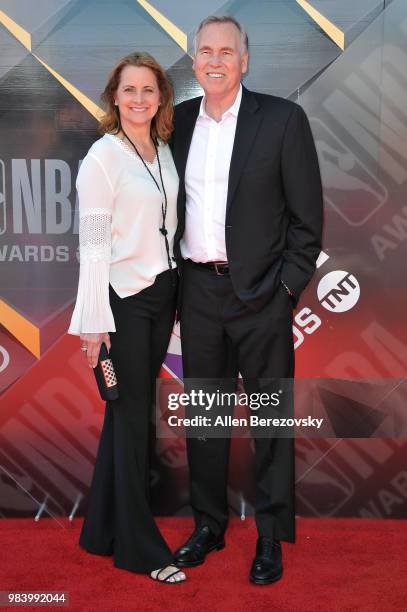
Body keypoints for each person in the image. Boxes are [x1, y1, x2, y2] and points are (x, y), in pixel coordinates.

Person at [171, 16, 323, 584]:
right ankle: (208, 524)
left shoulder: (283, 121)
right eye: (205, 51)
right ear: (194, 62)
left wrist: (285, 290)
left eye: (226, 52)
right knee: (205, 419)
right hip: (199, 293)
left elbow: (308, 223)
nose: (215, 60)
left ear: (245, 60)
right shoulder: (177, 122)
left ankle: (270, 536)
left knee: (270, 420)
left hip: (263, 296)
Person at [68, 52, 186, 584]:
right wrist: (94, 321)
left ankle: (99, 532)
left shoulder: (161, 149)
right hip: (123, 303)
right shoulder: (102, 158)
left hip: (163, 295)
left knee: (124, 416)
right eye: (129, 89)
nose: (139, 98)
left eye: (149, 89)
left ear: (161, 97)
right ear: (114, 97)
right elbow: (92, 247)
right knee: (134, 419)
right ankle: (141, 549)